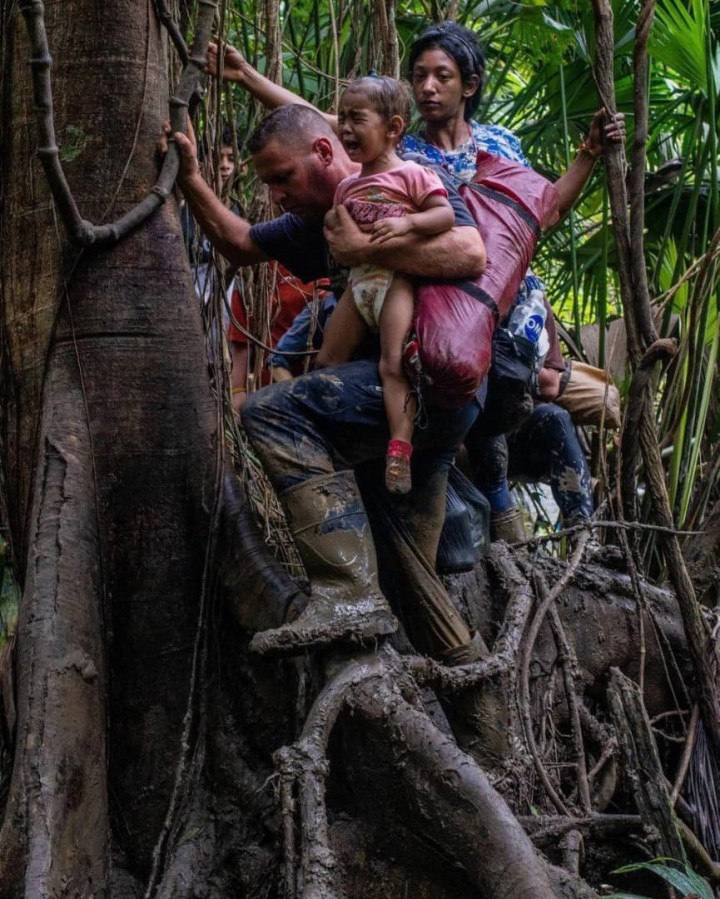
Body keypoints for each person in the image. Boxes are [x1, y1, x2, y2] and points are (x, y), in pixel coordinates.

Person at [165, 103, 489, 667]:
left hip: (425, 382)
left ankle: (347, 595)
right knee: (411, 568)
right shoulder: (316, 218)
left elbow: (471, 250)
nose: (276, 196)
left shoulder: (397, 183)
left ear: (322, 153)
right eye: (267, 184)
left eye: (282, 178)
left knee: (269, 412)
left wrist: (368, 249)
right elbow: (240, 244)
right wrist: (191, 178)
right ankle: (457, 683)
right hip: (405, 407)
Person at [316, 76, 455, 494]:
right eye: (341, 119)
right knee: (327, 359)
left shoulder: (413, 174)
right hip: (359, 287)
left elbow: (444, 216)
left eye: (357, 119)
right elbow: (339, 230)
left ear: (392, 128)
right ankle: (340, 434)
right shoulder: (345, 185)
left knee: (393, 364)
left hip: (396, 282)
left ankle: (400, 447)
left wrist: (409, 221)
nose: (345, 129)